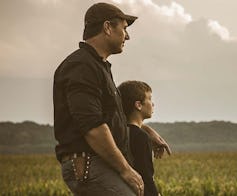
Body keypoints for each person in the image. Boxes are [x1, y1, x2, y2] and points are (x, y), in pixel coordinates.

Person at [53, 2, 170, 196]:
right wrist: (125, 170)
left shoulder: (97, 66)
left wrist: (145, 130)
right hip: (91, 164)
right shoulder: (82, 66)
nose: (128, 36)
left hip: (98, 163)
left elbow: (111, 119)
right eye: (124, 29)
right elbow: (92, 127)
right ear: (107, 27)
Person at [118, 81, 159, 196]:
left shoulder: (121, 133)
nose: (153, 104)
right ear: (138, 105)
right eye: (149, 99)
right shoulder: (141, 137)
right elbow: (145, 174)